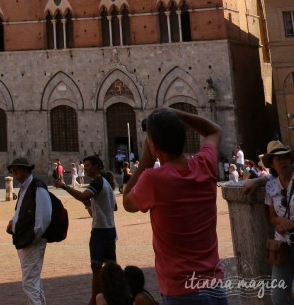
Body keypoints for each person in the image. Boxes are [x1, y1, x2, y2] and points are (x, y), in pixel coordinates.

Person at [123, 107, 225, 303]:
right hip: (215, 287)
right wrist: (174, 113)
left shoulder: (153, 180)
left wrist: (146, 159)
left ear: (153, 146)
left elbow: (127, 201)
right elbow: (214, 130)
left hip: (181, 292)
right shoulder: (204, 165)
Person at [56, 155, 116, 305]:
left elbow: (83, 195)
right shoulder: (106, 184)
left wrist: (64, 187)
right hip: (110, 230)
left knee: (96, 268)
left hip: (100, 232)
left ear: (96, 166)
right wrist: (89, 204)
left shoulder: (97, 182)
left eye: (88, 165)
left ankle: (94, 301)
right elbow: (113, 207)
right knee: (110, 268)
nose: (85, 168)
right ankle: (113, 297)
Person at [6, 155, 52, 305]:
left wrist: (30, 238)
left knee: (29, 283)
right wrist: (13, 224)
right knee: (34, 282)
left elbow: (43, 219)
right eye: (12, 169)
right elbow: (21, 212)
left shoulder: (37, 187)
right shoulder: (23, 189)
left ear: (26, 170)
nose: (14, 170)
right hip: (25, 241)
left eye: (17, 168)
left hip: (32, 242)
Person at [261, 139, 294, 305]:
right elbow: (272, 216)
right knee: (278, 295)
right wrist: (279, 222)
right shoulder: (270, 186)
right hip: (282, 246)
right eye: (277, 158)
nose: (282, 161)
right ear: (272, 164)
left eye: (285, 157)